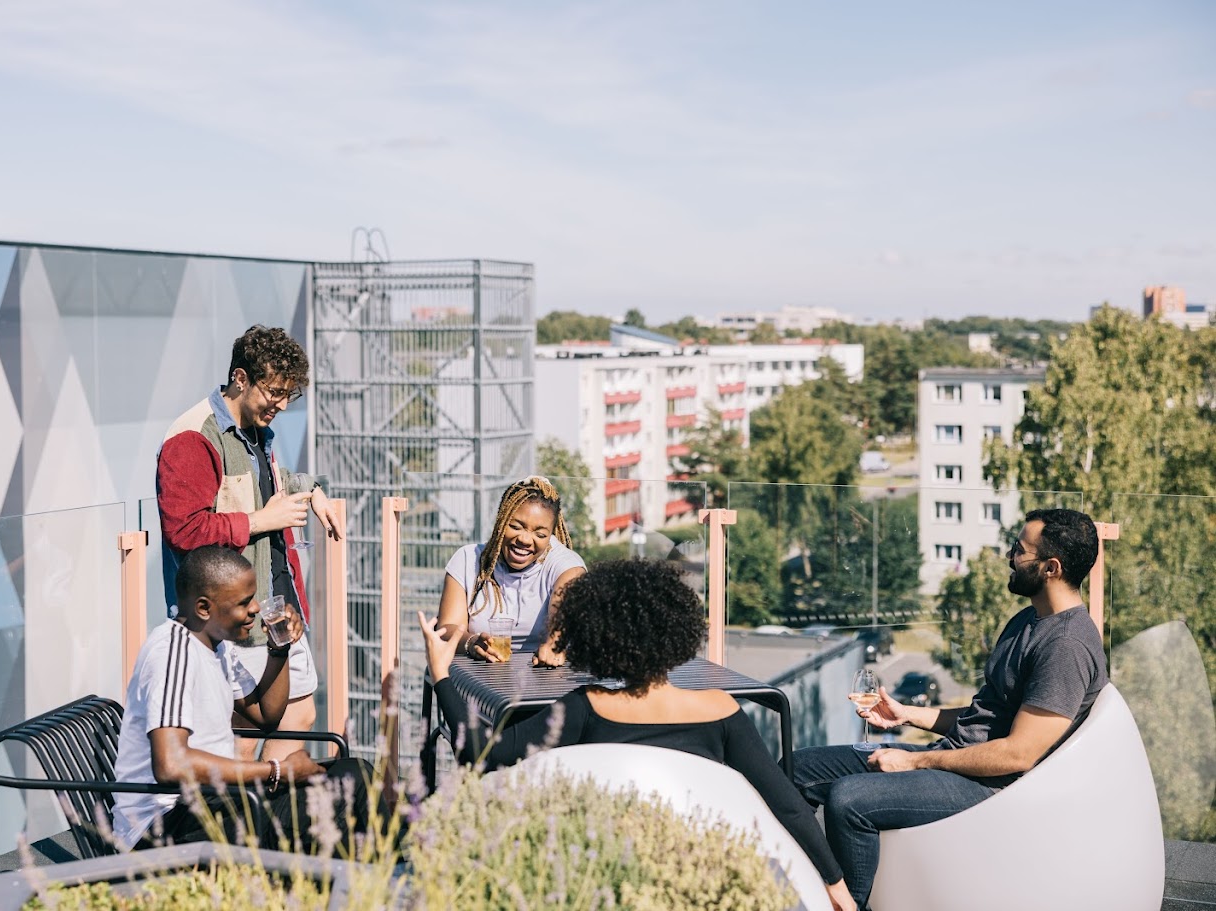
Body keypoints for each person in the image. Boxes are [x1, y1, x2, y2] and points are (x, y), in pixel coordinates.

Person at [419, 558, 858, 911]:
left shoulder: (585, 707)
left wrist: (442, 673)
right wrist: (834, 882)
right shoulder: (722, 709)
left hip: (608, 880)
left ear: (597, 637)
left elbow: (478, 754)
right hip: (702, 878)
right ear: (677, 632)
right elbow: (789, 807)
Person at [793, 508, 1108, 911]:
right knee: (798, 769)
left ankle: (846, 904)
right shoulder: (1030, 619)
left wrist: (915, 762)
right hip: (959, 761)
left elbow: (1018, 754)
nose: (1009, 557)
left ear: (1051, 568)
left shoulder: (1066, 646)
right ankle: (795, 890)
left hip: (991, 786)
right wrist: (908, 715)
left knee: (848, 799)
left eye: (1019, 550)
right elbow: (987, 717)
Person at [157, 325, 341, 761]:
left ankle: (263, 812)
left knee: (300, 715)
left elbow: (267, 486)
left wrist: (312, 490)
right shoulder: (193, 436)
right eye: (274, 392)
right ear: (241, 378)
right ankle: (240, 820)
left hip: (276, 605)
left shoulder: (255, 428)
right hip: (231, 616)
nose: (281, 404)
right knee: (237, 738)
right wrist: (261, 520)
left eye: (288, 394)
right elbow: (183, 530)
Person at [111, 546, 367, 852]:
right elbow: (170, 764)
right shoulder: (171, 654)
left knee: (354, 774)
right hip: (166, 828)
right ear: (204, 608)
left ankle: (369, 886)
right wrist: (277, 772)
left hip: (218, 802)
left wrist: (279, 649)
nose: (256, 609)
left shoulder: (218, 648)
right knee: (329, 809)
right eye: (244, 602)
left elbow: (266, 717)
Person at [436, 475, 585, 667]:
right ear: (501, 520)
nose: (525, 539)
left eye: (540, 534)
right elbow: (447, 627)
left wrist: (554, 644)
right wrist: (472, 643)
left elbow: (562, 616)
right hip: (476, 682)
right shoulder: (468, 559)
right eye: (515, 526)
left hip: (544, 683)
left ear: (551, 533)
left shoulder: (566, 566)